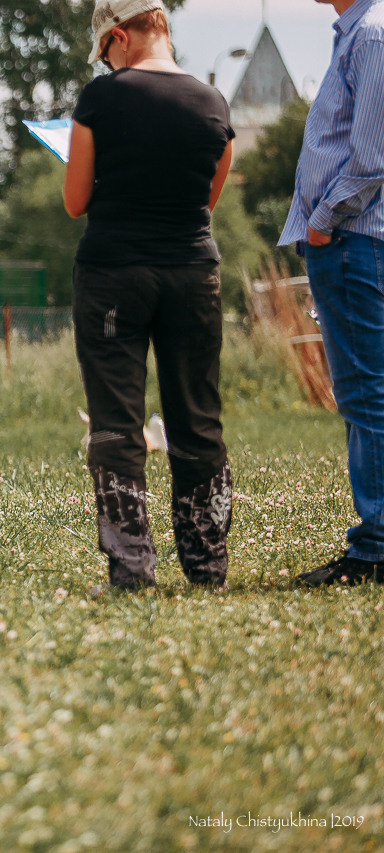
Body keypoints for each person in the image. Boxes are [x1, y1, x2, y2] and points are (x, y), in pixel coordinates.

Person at [63, 0, 236, 590]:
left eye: (106, 53)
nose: (107, 65)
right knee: (197, 420)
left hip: (114, 272)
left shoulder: (102, 99)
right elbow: (207, 197)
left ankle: (132, 569)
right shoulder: (213, 102)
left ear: (117, 36)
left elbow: (75, 199)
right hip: (193, 274)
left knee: (116, 421)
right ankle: (207, 566)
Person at [279, 0, 384, 586]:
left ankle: (375, 550)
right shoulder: (356, 33)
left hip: (353, 239)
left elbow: (372, 159)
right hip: (350, 240)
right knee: (368, 393)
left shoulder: (370, 35)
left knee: (367, 395)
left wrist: (324, 222)